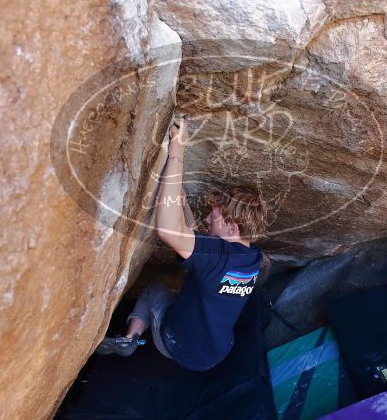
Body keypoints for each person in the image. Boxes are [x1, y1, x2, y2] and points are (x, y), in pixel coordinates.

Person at [96, 117, 268, 371]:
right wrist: (184, 205)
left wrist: (177, 151)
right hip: (215, 352)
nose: (208, 217)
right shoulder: (252, 258)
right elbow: (204, 244)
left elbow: (168, 230)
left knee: (155, 290)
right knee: (186, 294)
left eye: (215, 217)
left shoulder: (218, 256)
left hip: (177, 346)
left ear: (232, 228)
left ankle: (130, 339)